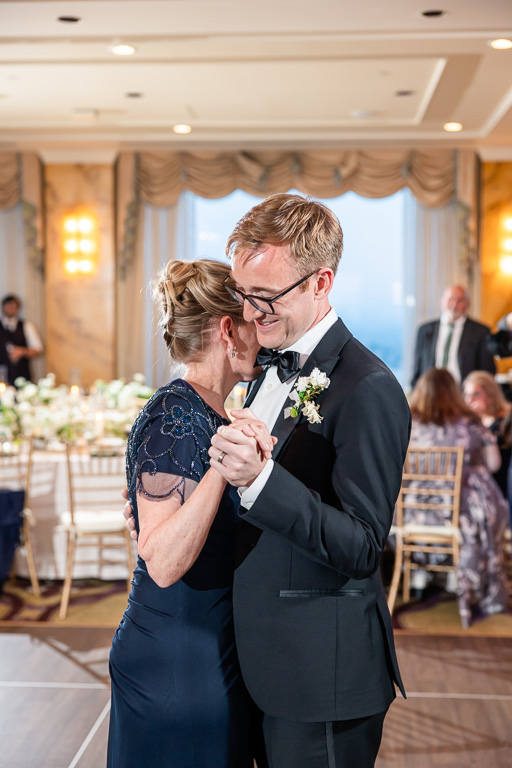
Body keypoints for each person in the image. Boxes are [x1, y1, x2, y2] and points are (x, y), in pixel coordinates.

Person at [205, 193, 411, 768]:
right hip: (256, 659)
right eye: (244, 296)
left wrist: (263, 479)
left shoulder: (367, 387)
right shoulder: (261, 365)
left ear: (321, 281)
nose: (250, 314)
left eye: (265, 297)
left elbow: (362, 547)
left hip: (322, 673)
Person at [108, 259, 273, 768]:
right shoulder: (174, 414)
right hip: (176, 659)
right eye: (252, 320)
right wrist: (224, 466)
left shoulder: (215, 411)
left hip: (211, 646)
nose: (261, 336)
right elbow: (161, 560)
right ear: (228, 330)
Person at [408, 368, 509, 628]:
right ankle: (457, 576)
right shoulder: (469, 423)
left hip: (410, 515)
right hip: (454, 517)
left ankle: (419, 576)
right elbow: (495, 464)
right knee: (481, 499)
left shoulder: (408, 422)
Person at [411, 284, 495, 388]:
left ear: (467, 304)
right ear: (442, 301)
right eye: (450, 299)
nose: (454, 304)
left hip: (464, 395)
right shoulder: (424, 330)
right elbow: (417, 368)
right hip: (431, 392)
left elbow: (487, 372)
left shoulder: (481, 331)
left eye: (460, 300)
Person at [0, 294, 43, 385]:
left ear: (17, 308)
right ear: (3, 307)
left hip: (22, 376)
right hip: (2, 377)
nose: (10, 308)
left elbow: (38, 349)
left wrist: (22, 351)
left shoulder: (27, 326)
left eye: (12, 306)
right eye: (7, 305)